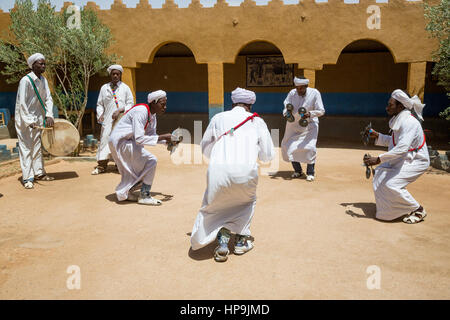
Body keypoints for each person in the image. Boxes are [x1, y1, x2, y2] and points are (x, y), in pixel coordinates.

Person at [190, 87, 275, 262]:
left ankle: (222, 240)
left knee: (215, 204)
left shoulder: (218, 118)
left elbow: (205, 148)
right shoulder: (257, 122)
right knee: (246, 202)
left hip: (217, 171)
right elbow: (267, 156)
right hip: (246, 173)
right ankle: (241, 242)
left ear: (233, 102)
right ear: (250, 104)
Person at [364, 89, 429, 224]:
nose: (387, 107)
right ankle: (389, 210)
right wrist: (378, 136)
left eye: (390, 105)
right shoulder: (400, 119)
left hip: (416, 161)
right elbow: (395, 142)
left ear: (400, 106)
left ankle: (418, 209)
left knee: (391, 184)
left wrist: (378, 159)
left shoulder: (409, 122)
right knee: (380, 175)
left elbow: (402, 148)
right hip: (403, 158)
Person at [108, 90, 174, 205]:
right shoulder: (141, 111)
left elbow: (151, 136)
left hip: (128, 142)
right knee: (151, 161)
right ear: (154, 102)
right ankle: (144, 195)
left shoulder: (151, 116)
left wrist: (166, 141)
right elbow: (139, 139)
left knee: (140, 168)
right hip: (121, 142)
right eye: (162, 104)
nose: (165, 107)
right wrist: (164, 136)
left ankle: (125, 192)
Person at [15, 53, 55, 189]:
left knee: (37, 147)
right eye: (40, 64)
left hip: (38, 118)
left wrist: (49, 115)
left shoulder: (43, 80)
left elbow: (48, 98)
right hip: (25, 120)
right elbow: (21, 103)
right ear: (33, 65)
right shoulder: (25, 81)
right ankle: (27, 178)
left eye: (44, 64)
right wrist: (28, 120)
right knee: (26, 148)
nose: (43, 66)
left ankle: (39, 173)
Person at [92, 65, 134, 175]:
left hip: (122, 120)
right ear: (110, 75)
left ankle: (119, 165)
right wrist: (100, 114)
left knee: (119, 141)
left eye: (117, 74)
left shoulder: (125, 88)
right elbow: (100, 104)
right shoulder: (104, 88)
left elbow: (131, 103)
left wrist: (121, 109)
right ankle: (102, 165)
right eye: (113, 74)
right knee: (105, 140)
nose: (115, 75)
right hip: (107, 120)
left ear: (120, 75)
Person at [281, 76, 325, 181]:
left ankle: (310, 172)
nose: (298, 90)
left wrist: (310, 114)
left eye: (301, 88)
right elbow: (286, 105)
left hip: (309, 125)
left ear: (306, 86)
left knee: (310, 148)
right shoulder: (292, 93)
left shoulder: (315, 93)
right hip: (293, 125)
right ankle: (298, 171)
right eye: (297, 88)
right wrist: (286, 113)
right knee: (289, 146)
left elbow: (321, 110)